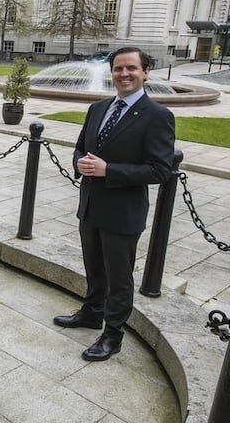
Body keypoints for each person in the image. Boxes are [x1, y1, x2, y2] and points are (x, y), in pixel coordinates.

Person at [54, 47, 175, 362]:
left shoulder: (158, 116)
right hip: (91, 205)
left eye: (131, 68)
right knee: (94, 267)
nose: (124, 74)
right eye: (118, 69)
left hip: (123, 213)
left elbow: (160, 170)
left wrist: (110, 171)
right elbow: (81, 148)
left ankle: (113, 334)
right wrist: (79, 162)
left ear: (145, 71)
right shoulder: (98, 109)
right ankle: (92, 312)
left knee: (119, 277)